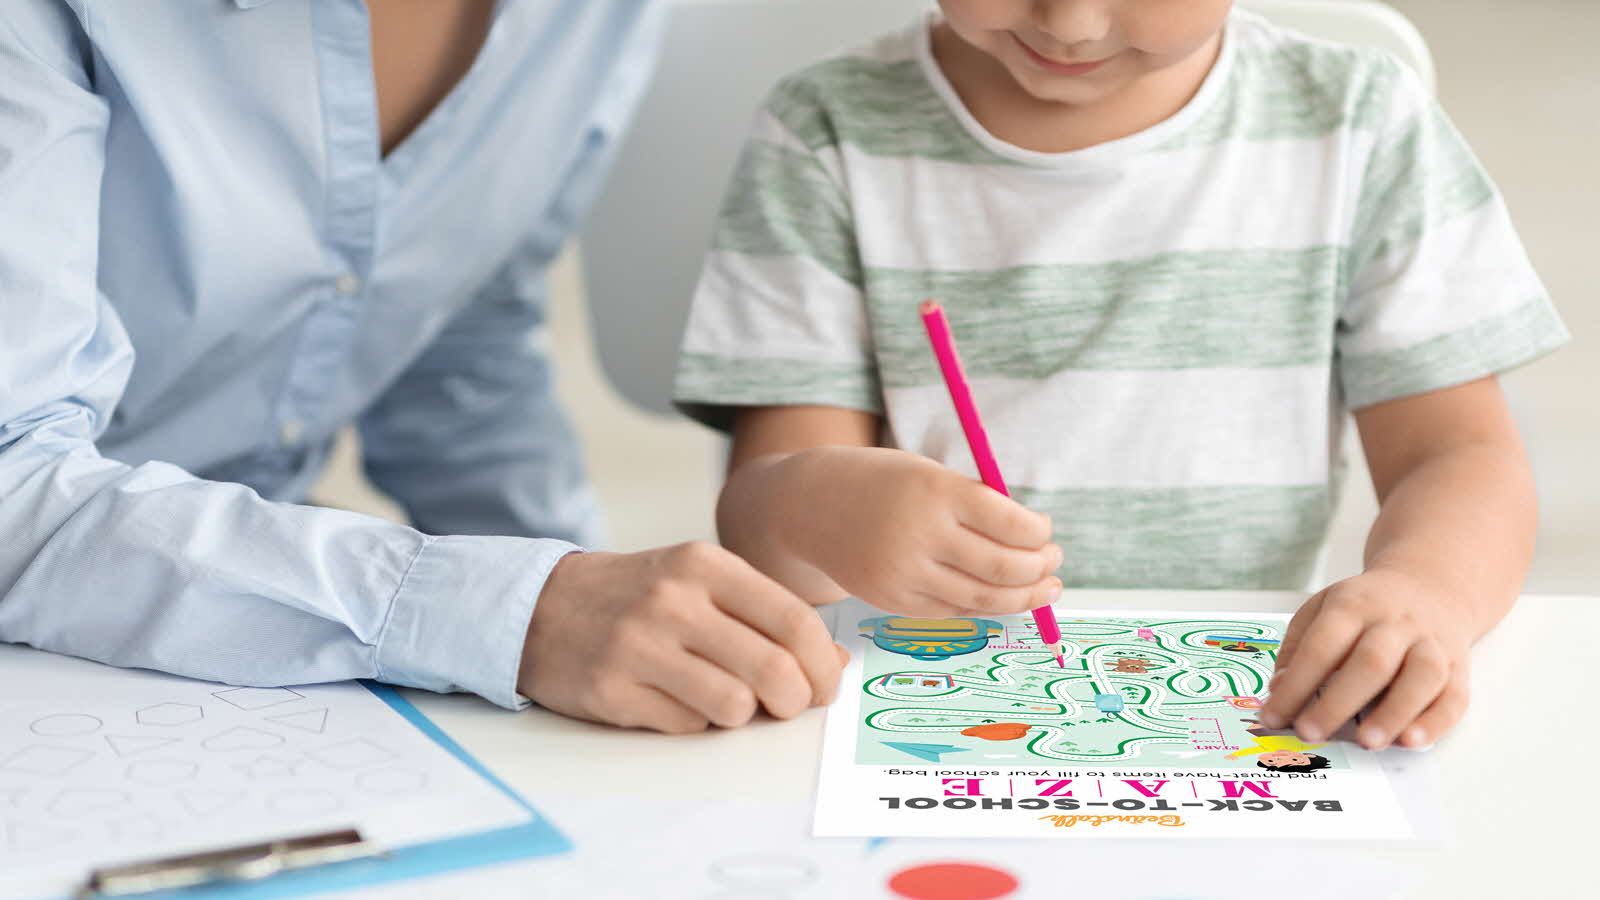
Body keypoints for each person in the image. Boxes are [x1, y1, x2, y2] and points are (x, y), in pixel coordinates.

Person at [672, 0, 1567, 751]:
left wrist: (1429, 591)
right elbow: (763, 528)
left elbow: (1459, 458)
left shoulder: (1361, 122)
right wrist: (820, 506)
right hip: (917, 716)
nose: (1070, 21)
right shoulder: (825, 129)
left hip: (1230, 718)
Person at [0, 0, 846, 735]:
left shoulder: (592, 16)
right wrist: (521, 614)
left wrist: (595, 604)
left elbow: (461, 338)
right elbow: (12, 485)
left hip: (273, 667)